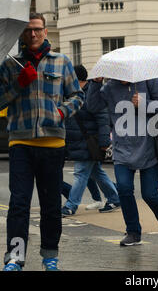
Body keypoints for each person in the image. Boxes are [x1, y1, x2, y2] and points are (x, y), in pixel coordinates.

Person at [0, 12, 84, 271]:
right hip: (20, 143)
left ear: (45, 32)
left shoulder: (61, 62)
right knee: (19, 204)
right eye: (28, 30)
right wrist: (19, 84)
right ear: (22, 33)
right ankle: (15, 257)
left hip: (53, 144)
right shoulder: (10, 65)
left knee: (51, 205)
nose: (33, 34)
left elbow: (77, 95)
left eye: (37, 29)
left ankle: (50, 256)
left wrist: (62, 112)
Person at [86, 77, 158, 249]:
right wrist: (95, 84)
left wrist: (145, 103)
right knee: (124, 189)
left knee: (150, 194)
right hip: (123, 149)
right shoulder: (109, 87)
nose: (121, 79)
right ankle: (133, 232)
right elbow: (92, 106)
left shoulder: (150, 81)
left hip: (150, 147)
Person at [61, 65, 120, 216]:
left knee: (80, 173)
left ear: (77, 79)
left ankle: (71, 205)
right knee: (96, 173)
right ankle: (115, 198)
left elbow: (103, 120)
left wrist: (104, 142)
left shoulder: (92, 94)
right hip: (80, 142)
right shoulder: (71, 94)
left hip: (89, 142)